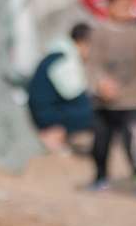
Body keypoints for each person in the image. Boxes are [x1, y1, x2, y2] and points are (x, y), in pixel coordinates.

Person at [85, 0, 136, 193]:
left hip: (132, 100)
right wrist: (100, 84)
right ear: (109, 5)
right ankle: (100, 177)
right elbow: (92, 64)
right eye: (120, 5)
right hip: (104, 102)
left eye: (128, 5)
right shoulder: (99, 32)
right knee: (100, 143)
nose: (124, 10)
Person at [26, 22, 95, 153]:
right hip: (45, 113)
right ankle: (53, 133)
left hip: (43, 108)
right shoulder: (64, 59)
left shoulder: (58, 53)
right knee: (92, 111)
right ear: (82, 43)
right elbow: (74, 93)